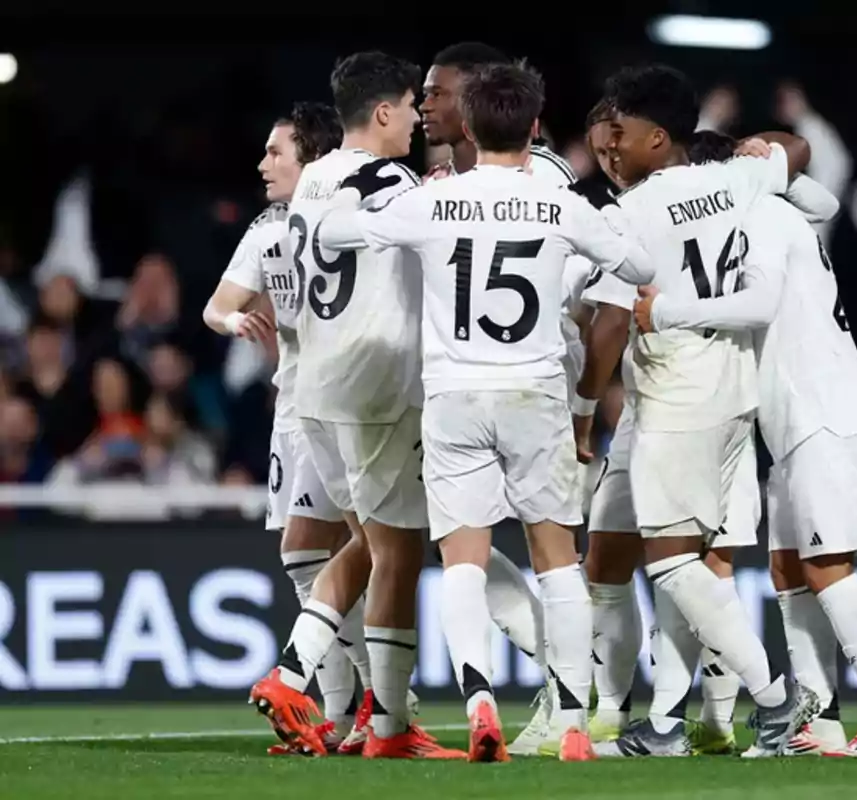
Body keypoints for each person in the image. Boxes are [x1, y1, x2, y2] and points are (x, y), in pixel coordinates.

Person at [318, 60, 657, 762]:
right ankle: (569, 720)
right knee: (556, 560)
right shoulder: (559, 202)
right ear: (534, 128)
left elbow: (336, 234)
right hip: (535, 393)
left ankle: (478, 702)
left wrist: (379, 207)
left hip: (454, 397)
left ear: (467, 127)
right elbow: (638, 264)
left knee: (464, 561)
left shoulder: (435, 199)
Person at [634, 130, 857, 757]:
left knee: (825, 567)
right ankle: (817, 721)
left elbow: (761, 302)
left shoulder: (762, 215)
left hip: (826, 412)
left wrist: (666, 312)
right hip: (793, 421)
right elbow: (828, 204)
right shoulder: (781, 210)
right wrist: (768, 166)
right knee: (789, 571)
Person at [579, 63, 817, 759]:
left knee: (676, 564)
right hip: (736, 381)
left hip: (678, 388)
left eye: (620, 134)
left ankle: (776, 702)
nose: (612, 147)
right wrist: (754, 146)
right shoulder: (736, 179)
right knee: (692, 560)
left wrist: (582, 407)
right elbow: (792, 148)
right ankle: (668, 725)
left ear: (658, 137)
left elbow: (609, 320)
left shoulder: (634, 211)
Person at [247, 51, 462, 760]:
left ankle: (333, 695)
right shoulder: (388, 180)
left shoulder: (311, 183)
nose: (415, 120)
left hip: (316, 390)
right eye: (408, 107)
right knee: (396, 554)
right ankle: (379, 721)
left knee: (372, 546)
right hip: (375, 386)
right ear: (381, 112)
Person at [418, 40, 592, 754]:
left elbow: (585, 281)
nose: (427, 105)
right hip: (517, 381)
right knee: (539, 556)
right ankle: (563, 698)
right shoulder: (461, 180)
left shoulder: (536, 174)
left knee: (514, 553)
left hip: (513, 371)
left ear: (472, 103)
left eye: (437, 93)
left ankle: (554, 699)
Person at [201, 103, 378, 754]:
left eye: (276, 152)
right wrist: (235, 323)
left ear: (313, 160)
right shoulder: (271, 227)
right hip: (298, 408)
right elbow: (217, 308)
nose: (262, 163)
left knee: (373, 547)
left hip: (352, 404)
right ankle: (343, 708)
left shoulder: (360, 217)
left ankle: (382, 704)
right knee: (309, 553)